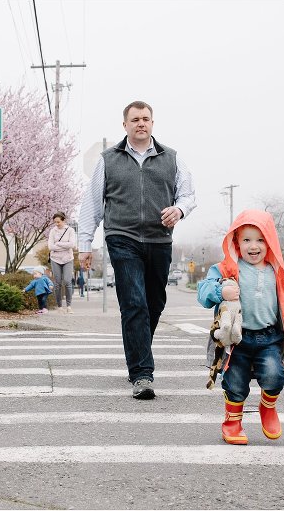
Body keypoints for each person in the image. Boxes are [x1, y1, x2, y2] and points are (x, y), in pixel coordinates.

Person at [78, 100, 197, 399]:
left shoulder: (172, 158)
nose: (140, 123)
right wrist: (84, 245)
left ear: (152, 123)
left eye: (145, 118)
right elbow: (92, 204)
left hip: (159, 240)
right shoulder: (108, 160)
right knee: (134, 302)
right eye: (135, 119)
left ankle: (138, 345)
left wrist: (179, 210)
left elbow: (188, 194)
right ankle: (142, 374)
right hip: (122, 237)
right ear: (125, 125)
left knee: (153, 304)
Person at [197, 209, 284, 444]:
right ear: (236, 241)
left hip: (268, 339)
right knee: (235, 382)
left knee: (274, 376)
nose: (253, 246)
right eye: (246, 239)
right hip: (236, 340)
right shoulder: (226, 268)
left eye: (260, 239)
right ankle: (232, 422)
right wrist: (220, 291)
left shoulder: (279, 273)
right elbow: (203, 292)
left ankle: (267, 407)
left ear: (270, 242)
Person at [48, 212, 77, 313]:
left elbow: (72, 244)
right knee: (57, 283)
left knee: (68, 281)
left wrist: (58, 244)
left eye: (58, 222)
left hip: (68, 259)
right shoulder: (53, 231)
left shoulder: (70, 230)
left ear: (64, 220)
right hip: (55, 259)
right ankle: (59, 307)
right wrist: (65, 245)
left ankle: (69, 306)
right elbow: (50, 246)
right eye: (55, 222)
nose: (57, 224)